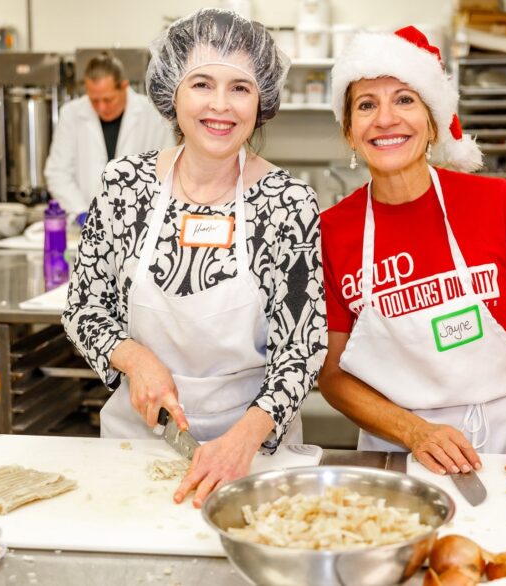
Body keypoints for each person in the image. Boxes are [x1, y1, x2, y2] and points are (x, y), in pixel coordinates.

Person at [62, 9, 327, 507]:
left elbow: (302, 348)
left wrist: (244, 440)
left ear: (262, 99)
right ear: (172, 94)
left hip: (255, 452)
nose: (221, 106)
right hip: (140, 445)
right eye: (202, 83)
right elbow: (84, 308)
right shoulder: (126, 185)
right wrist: (134, 358)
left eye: (241, 88)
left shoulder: (287, 202)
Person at [318, 27, 506, 482]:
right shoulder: (332, 232)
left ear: (433, 121)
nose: (385, 119)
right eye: (366, 104)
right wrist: (414, 431)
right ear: (349, 134)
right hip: (392, 451)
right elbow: (332, 375)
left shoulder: (500, 203)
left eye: (405, 100)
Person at [45, 52, 175, 220]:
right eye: (94, 100)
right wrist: (80, 211)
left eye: (108, 100)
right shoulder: (71, 114)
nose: (101, 108)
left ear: (124, 86)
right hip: (87, 222)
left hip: (139, 220)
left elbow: (167, 170)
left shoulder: (152, 115)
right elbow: (58, 172)